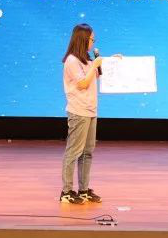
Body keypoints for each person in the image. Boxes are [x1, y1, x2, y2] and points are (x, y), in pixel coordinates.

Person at [60, 23, 103, 205]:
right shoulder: (72, 61)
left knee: (87, 152)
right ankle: (66, 192)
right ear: (83, 39)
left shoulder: (87, 60)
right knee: (74, 152)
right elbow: (83, 84)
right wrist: (95, 66)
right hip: (79, 111)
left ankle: (83, 190)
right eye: (92, 39)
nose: (93, 42)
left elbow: (96, 76)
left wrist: (112, 62)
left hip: (91, 110)